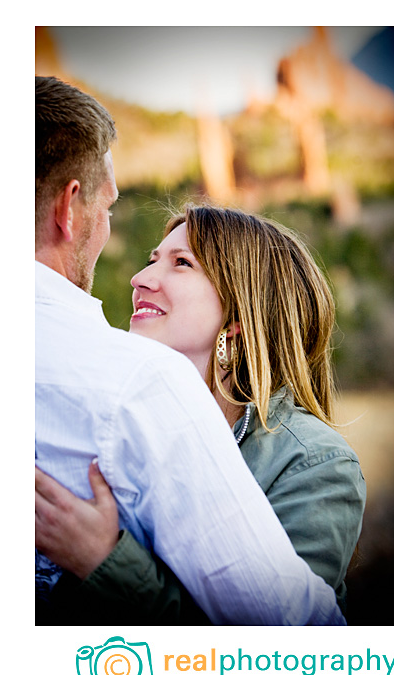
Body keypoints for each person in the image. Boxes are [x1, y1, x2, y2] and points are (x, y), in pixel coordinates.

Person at [35, 75, 346, 626]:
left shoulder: (314, 464)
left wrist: (105, 562)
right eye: (152, 258)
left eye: (180, 264)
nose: (137, 277)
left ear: (242, 314)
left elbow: (281, 650)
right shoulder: (117, 408)